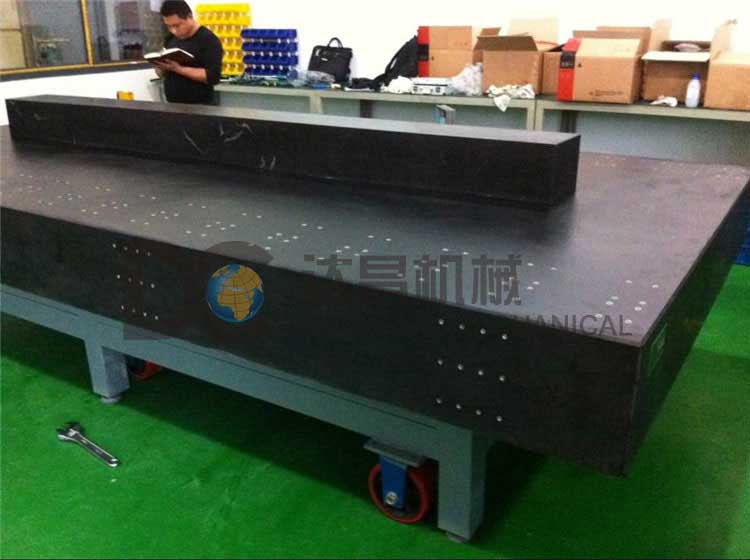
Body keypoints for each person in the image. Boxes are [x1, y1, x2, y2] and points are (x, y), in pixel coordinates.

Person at [153, 1, 223, 104]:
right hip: (172, 103)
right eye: (169, 26)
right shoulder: (170, 39)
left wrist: (178, 69)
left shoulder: (208, 40)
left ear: (190, 16)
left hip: (200, 106)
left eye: (177, 25)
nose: (173, 30)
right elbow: (161, 74)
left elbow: (213, 77)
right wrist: (161, 67)